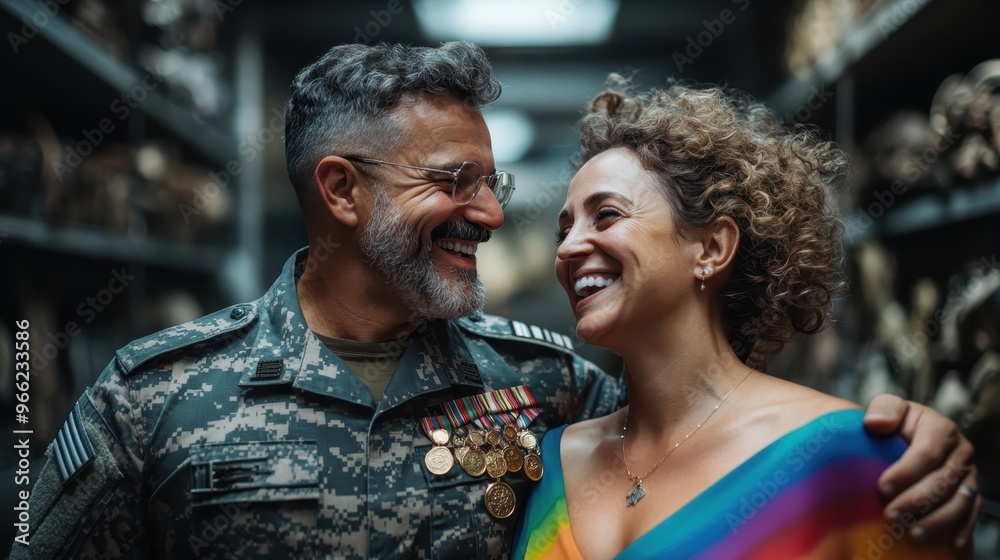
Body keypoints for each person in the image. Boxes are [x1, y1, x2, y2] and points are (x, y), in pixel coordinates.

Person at [10, 43, 976, 560]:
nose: (490, 215)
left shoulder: (550, 389)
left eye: (494, 184)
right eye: (454, 180)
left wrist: (914, 444)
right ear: (342, 191)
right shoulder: (152, 398)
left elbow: (704, 449)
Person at [512, 78, 981, 559]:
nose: (568, 249)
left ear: (712, 249)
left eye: (606, 215)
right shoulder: (549, 462)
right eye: (563, 231)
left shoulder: (844, 454)